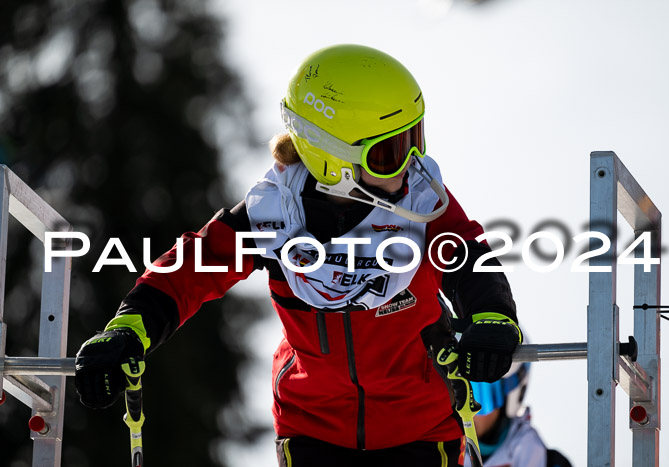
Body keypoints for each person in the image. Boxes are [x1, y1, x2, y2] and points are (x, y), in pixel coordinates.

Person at [74, 44, 522, 467]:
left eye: (413, 140)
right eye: (388, 153)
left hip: (421, 428)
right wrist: (127, 331)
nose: (408, 164)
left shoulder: (420, 204)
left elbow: (467, 257)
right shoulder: (273, 217)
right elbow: (188, 271)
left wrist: (493, 318)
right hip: (314, 431)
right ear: (333, 159)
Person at [470, 361, 573, 467]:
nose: (465, 412)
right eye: (458, 395)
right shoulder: (452, 454)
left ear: (508, 395)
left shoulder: (548, 462)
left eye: (478, 396)